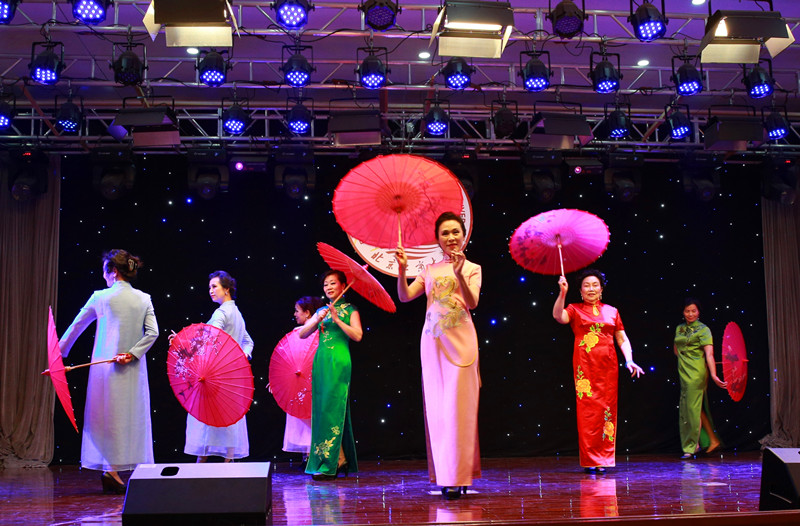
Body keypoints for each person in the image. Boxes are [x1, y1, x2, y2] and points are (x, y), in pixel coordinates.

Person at [395, 211, 482, 500]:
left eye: (455, 231)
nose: (451, 237)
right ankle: (447, 477)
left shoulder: (473, 268)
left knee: (459, 409)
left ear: (464, 235)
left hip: (462, 342)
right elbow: (405, 296)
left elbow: (472, 302)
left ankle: (459, 476)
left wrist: (459, 272)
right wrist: (402, 269)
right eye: (445, 233)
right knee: (438, 409)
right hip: (432, 342)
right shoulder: (429, 270)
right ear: (438, 239)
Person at [59, 249, 158, 494]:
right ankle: (123, 471)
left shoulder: (101, 297)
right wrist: (132, 354)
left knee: (107, 418)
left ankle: (111, 470)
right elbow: (153, 333)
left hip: (105, 370)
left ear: (113, 271)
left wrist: (58, 353)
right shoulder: (144, 298)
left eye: (104, 271)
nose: (103, 276)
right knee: (132, 417)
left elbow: (76, 326)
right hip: (133, 368)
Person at [553, 269, 644, 474]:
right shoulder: (574, 309)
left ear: (601, 289)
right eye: (586, 285)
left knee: (606, 411)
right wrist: (562, 293)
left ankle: (602, 458)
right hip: (585, 368)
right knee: (588, 413)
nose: (591, 289)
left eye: (595, 285)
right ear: (580, 291)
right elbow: (558, 316)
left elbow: (622, 338)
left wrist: (629, 359)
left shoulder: (612, 311)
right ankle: (590, 459)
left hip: (608, 368)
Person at [178, 271, 254, 462]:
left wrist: (183, 343)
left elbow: (210, 337)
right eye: (209, 287)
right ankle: (228, 460)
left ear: (226, 289)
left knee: (206, 414)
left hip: (217, 372)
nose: (211, 290)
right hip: (231, 374)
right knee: (229, 414)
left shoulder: (222, 312)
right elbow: (248, 342)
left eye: (215, 286)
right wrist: (239, 358)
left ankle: (202, 461)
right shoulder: (237, 313)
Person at [298, 270, 362, 480]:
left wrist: (337, 320)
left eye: (333, 283)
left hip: (339, 361)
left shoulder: (351, 310)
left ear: (343, 285)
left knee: (334, 407)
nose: (328, 287)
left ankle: (333, 462)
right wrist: (317, 319)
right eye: (326, 284)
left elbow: (358, 335)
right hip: (322, 361)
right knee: (322, 409)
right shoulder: (321, 310)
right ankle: (338, 458)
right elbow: (302, 333)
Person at [273, 296, 326, 459]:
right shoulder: (300, 333)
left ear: (308, 313)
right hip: (299, 382)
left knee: (308, 418)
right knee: (303, 418)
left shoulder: (315, 333)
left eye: (297, 311)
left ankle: (311, 456)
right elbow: (289, 360)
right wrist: (278, 380)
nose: (295, 314)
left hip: (310, 382)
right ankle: (307, 456)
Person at [674, 298, 726, 459]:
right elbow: (676, 349)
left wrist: (714, 375)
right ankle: (709, 440)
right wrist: (685, 357)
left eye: (693, 311)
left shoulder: (704, 330)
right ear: (683, 312)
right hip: (684, 371)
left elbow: (709, 354)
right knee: (688, 408)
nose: (690, 314)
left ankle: (691, 447)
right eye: (687, 311)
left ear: (698, 312)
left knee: (691, 409)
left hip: (696, 373)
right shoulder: (679, 328)